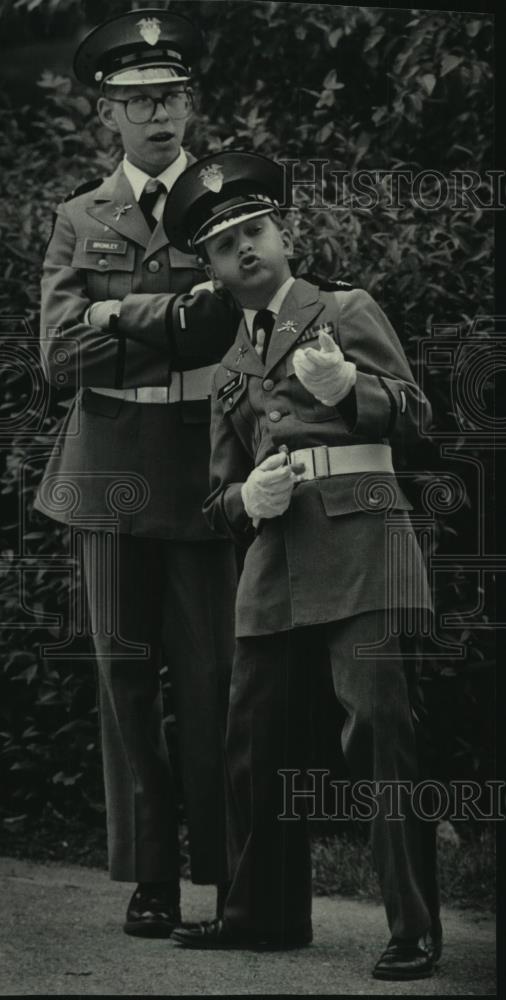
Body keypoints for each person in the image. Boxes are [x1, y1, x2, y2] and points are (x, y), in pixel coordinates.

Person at [162, 151, 442, 979]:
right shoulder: (227, 369)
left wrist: (352, 382)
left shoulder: (345, 307)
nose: (244, 248)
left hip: (362, 547)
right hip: (275, 563)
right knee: (252, 742)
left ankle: (414, 928)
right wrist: (248, 501)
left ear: (283, 236)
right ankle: (263, 916)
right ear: (210, 271)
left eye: (255, 230)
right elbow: (215, 502)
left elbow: (418, 417)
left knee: (381, 734)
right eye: (224, 244)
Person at [34, 11, 239, 936]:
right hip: (110, 473)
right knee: (125, 683)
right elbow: (59, 358)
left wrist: (117, 325)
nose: (160, 113)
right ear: (107, 118)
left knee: (214, 681)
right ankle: (151, 875)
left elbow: (246, 328)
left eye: (172, 96)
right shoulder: (81, 218)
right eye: (138, 100)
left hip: (206, 467)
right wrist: (161, 319)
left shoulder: (232, 204)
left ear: (190, 105)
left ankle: (232, 873)